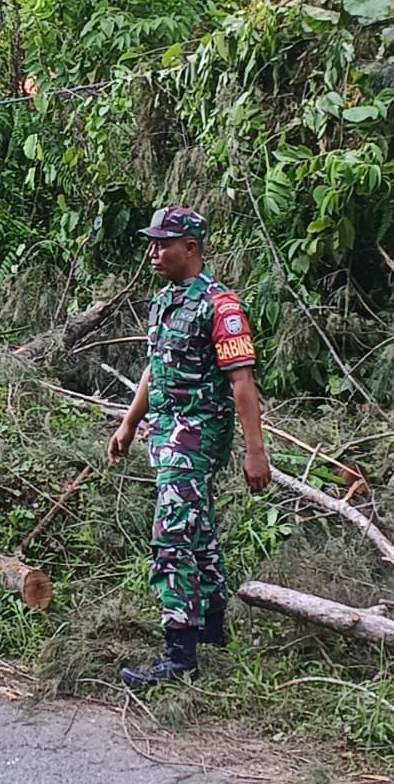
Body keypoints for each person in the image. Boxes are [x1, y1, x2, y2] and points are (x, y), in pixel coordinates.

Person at [107, 206, 271, 688]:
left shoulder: (221, 307)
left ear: (191, 248)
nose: (154, 253)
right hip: (167, 434)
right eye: (152, 244)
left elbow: (242, 383)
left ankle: (180, 655)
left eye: (164, 245)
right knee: (197, 531)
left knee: (173, 535)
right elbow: (155, 367)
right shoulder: (165, 301)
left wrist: (255, 451)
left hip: (197, 439)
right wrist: (129, 424)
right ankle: (213, 629)